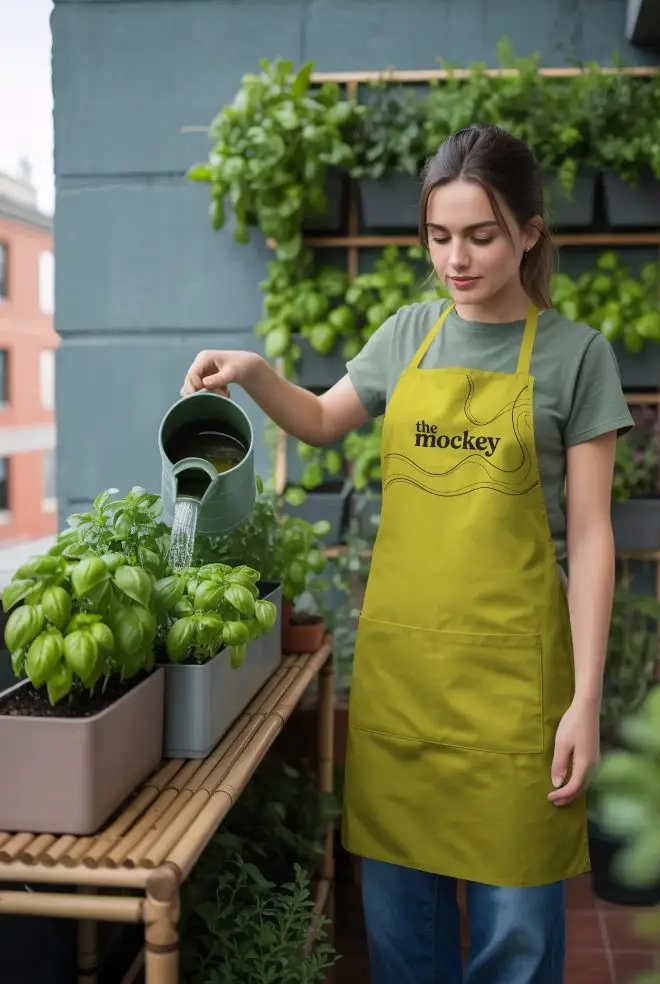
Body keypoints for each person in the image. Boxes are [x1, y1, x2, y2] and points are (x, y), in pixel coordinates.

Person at [181, 124, 633, 984]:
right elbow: (320, 419)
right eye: (439, 236)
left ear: (530, 232)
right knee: (401, 937)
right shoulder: (408, 335)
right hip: (403, 680)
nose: (456, 260)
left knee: (517, 941)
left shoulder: (577, 358)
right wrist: (254, 370)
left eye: (481, 236)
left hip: (515, 694)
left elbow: (595, 535)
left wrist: (584, 701)